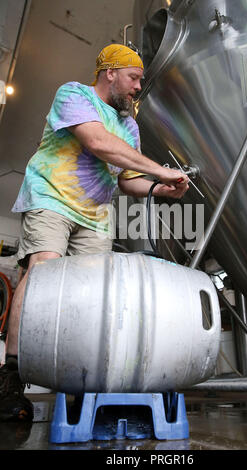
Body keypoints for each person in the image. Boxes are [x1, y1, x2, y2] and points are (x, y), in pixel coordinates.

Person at [0, 44, 189, 421]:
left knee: (90, 299)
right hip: (52, 197)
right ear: (111, 73)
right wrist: (162, 169)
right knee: (42, 274)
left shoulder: (129, 125)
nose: (138, 88)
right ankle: (10, 379)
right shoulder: (74, 94)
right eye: (134, 78)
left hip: (96, 215)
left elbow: (129, 179)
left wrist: (159, 188)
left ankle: (79, 383)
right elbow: (98, 144)